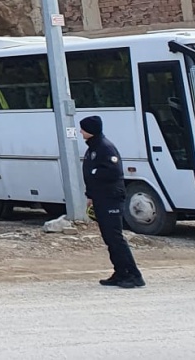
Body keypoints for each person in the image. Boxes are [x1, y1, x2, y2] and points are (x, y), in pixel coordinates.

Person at [81, 115, 143, 288]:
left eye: (83, 129)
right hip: (101, 198)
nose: (80, 132)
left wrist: (94, 172)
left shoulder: (105, 148)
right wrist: (90, 195)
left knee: (115, 238)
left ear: (90, 130)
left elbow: (113, 172)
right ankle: (120, 272)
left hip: (111, 198)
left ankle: (134, 275)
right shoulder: (93, 147)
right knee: (109, 238)